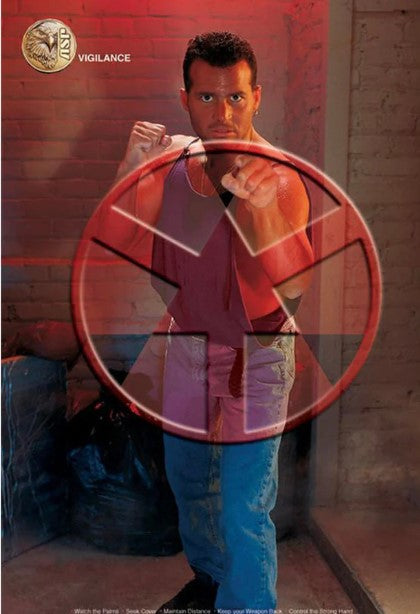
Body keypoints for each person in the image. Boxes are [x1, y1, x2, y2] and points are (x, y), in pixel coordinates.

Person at [112, 32, 313, 614]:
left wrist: (262, 210)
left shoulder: (280, 177)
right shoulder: (172, 163)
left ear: (257, 97)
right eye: (207, 97)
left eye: (236, 98)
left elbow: (294, 284)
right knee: (190, 482)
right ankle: (210, 582)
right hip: (189, 345)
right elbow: (122, 240)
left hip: (259, 349)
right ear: (185, 98)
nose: (222, 113)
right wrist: (130, 168)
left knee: (245, 503)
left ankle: (248, 605)